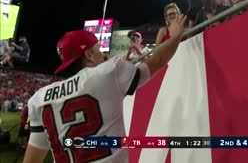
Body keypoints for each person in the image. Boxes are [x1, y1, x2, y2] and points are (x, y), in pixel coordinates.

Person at [23, 14, 187, 163]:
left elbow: (32, 159)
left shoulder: (40, 98)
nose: (104, 55)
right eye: (99, 50)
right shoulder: (108, 72)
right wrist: (176, 35)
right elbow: (157, 61)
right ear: (88, 55)